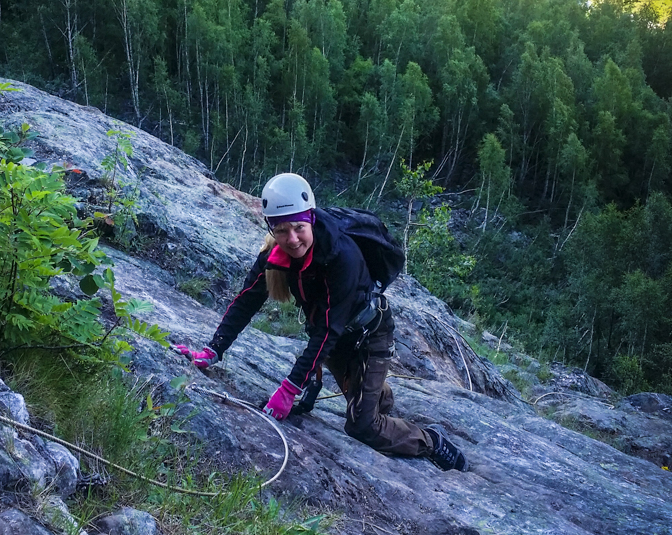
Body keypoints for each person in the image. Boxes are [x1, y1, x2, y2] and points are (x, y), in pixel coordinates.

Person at [176, 172, 469, 471]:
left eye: (299, 228)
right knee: (362, 404)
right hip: (337, 339)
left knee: (362, 426)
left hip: (370, 335)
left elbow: (328, 330)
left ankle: (431, 440)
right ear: (271, 228)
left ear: (311, 219)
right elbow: (246, 301)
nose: (292, 239)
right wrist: (213, 350)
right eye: (282, 230)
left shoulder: (341, 255)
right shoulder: (274, 256)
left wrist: (289, 389)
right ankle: (375, 394)